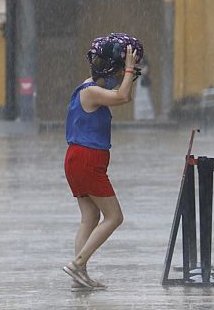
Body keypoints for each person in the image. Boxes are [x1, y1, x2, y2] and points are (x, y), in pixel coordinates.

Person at [61, 33, 143, 291]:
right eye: (119, 69)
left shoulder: (89, 86)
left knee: (90, 216)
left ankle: (79, 277)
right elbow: (123, 97)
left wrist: (127, 69)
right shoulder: (92, 92)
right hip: (87, 160)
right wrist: (129, 67)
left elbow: (119, 93)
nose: (122, 75)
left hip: (78, 159)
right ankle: (78, 264)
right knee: (114, 216)